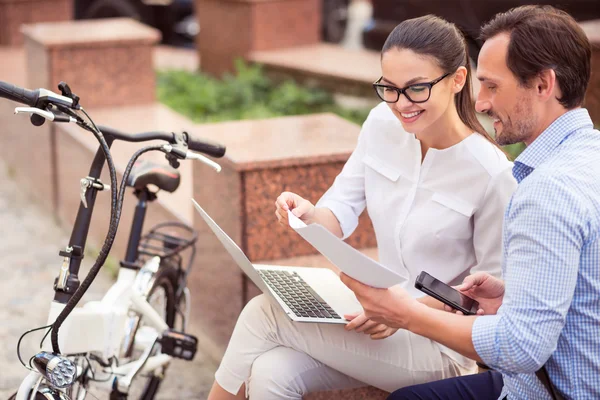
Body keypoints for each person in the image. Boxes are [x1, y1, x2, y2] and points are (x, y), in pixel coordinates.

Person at [207, 15, 518, 400]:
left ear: (457, 80)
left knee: (262, 314)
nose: (400, 104)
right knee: (272, 371)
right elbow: (337, 213)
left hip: (437, 346)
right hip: (370, 314)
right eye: (389, 88)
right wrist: (307, 214)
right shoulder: (380, 125)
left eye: (416, 88)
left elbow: (491, 298)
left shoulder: (492, 173)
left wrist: (405, 310)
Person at [341, 5, 600, 400]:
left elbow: (521, 347)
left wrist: (407, 314)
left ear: (544, 85)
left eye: (493, 86)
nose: (479, 102)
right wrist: (509, 292)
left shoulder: (546, 190)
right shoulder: (590, 154)